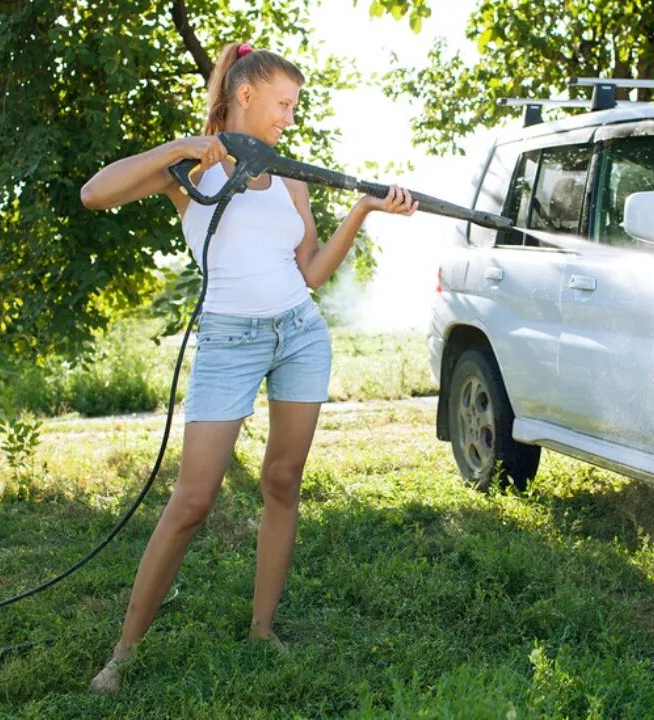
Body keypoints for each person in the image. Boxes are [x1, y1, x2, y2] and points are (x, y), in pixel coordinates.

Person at [79, 41, 417, 694]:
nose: (290, 117)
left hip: (298, 334)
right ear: (245, 95)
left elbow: (311, 273)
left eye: (295, 106)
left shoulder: (289, 175)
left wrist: (364, 210)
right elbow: (95, 194)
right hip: (227, 342)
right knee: (192, 500)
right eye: (283, 104)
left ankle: (263, 628)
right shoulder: (192, 171)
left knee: (283, 482)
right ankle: (122, 654)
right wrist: (177, 148)